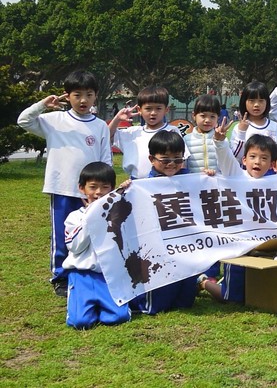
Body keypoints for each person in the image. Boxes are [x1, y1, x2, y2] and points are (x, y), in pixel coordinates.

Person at [18, 70, 112, 296]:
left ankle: (93, 273)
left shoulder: (99, 125)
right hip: (61, 188)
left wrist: (106, 188)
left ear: (95, 97)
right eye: (77, 94)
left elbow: (106, 158)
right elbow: (23, 120)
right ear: (66, 96)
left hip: (93, 193)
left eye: (88, 95)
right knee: (63, 235)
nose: (83, 100)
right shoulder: (53, 120)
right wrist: (43, 103)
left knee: (95, 232)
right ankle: (60, 277)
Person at [127, 130, 220, 315]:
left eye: (178, 159)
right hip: (158, 249)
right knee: (157, 304)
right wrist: (126, 190)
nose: (172, 164)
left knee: (185, 301)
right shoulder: (143, 184)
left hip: (185, 246)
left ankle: (195, 282)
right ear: (152, 159)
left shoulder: (189, 178)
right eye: (165, 159)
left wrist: (208, 178)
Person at [199, 134, 277, 303]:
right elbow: (225, 158)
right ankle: (203, 282)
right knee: (232, 299)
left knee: (256, 295)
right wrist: (220, 142)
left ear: (271, 164)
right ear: (244, 160)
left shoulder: (275, 183)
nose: (257, 162)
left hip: (261, 246)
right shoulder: (236, 175)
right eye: (253, 157)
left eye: (264, 158)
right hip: (236, 246)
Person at [64, 162, 131, 329]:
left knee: (118, 317)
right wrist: (91, 217)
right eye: (92, 187)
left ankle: (104, 304)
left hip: (108, 276)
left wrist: (128, 191)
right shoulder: (74, 217)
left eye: (105, 187)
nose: (99, 192)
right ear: (82, 188)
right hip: (82, 275)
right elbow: (76, 246)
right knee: (81, 322)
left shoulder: (118, 214)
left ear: (112, 189)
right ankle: (80, 304)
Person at [109, 85, 188, 180]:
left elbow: (182, 159)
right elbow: (107, 136)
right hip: (137, 183)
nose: (153, 113)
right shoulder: (132, 132)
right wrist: (117, 119)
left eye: (158, 108)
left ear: (166, 110)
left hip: (166, 182)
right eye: (148, 109)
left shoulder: (172, 131)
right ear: (139, 110)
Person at [230, 81, 277, 162]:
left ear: (267, 102)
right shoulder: (239, 127)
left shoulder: (275, 127)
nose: (256, 105)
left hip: (270, 173)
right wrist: (241, 132)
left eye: (261, 100)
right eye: (251, 100)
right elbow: (235, 155)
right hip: (246, 172)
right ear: (244, 102)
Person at [184, 94, 229, 175]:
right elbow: (183, 166)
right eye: (203, 116)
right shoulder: (186, 140)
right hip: (193, 185)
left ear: (218, 117)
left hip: (217, 185)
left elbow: (227, 162)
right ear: (194, 116)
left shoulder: (222, 139)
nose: (208, 120)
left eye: (212, 116)